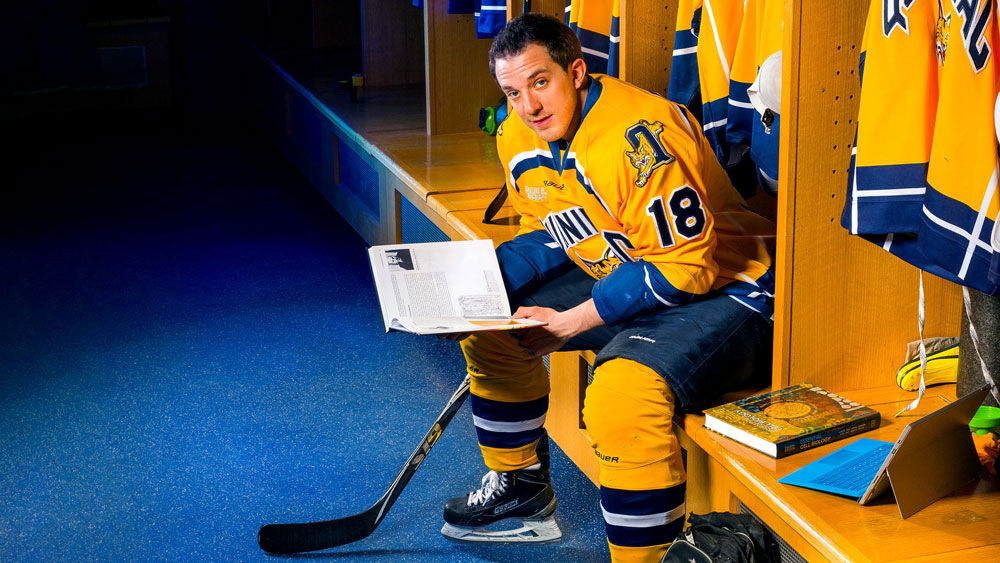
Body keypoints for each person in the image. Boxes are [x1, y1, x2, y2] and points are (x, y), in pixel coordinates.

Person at [440, 12, 775, 563]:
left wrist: (575, 320)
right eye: (513, 91)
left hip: (731, 283)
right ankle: (521, 492)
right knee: (491, 328)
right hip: (627, 268)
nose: (529, 105)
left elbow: (688, 266)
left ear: (575, 72)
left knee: (619, 398)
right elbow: (551, 231)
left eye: (540, 82)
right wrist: (471, 290)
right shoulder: (516, 132)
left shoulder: (641, 137)